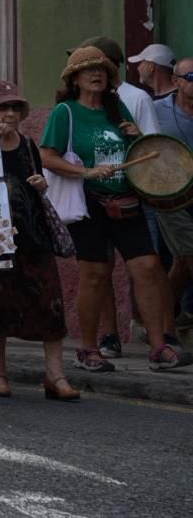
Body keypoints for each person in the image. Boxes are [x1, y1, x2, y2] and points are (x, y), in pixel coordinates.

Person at [38, 45, 189, 372]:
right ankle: (89, 349)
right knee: (94, 275)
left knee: (148, 267)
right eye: (88, 70)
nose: (96, 75)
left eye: (103, 71)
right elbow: (47, 156)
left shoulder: (117, 108)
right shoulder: (65, 112)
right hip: (90, 202)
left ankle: (158, 346)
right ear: (75, 79)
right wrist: (86, 172)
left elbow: (136, 157)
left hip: (126, 199)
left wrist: (136, 137)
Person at [0, 81, 80, 401]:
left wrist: (40, 185)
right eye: (1, 108)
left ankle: (56, 375)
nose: (8, 114)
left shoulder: (27, 145)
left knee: (51, 306)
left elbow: (36, 180)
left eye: (13, 108)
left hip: (33, 235)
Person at [151, 58, 193, 320]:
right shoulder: (156, 111)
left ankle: (159, 318)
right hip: (171, 197)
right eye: (192, 76)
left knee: (181, 262)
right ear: (176, 81)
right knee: (190, 253)